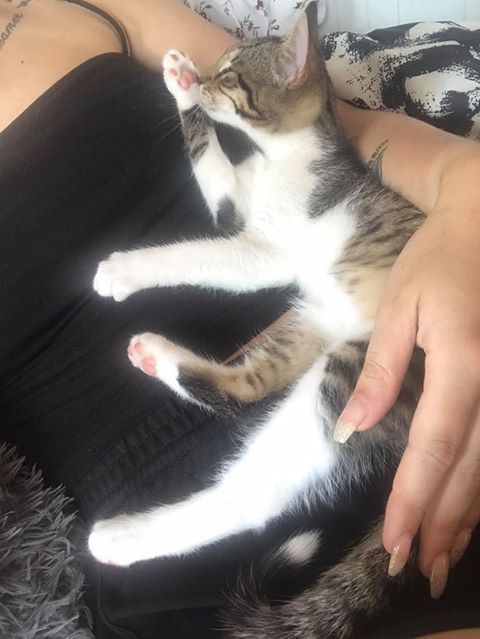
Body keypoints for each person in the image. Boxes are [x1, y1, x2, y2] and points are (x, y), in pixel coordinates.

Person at [0, 1, 479, 637]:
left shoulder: (88, 7)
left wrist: (467, 191)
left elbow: (338, 129)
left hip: (384, 355)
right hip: (142, 487)